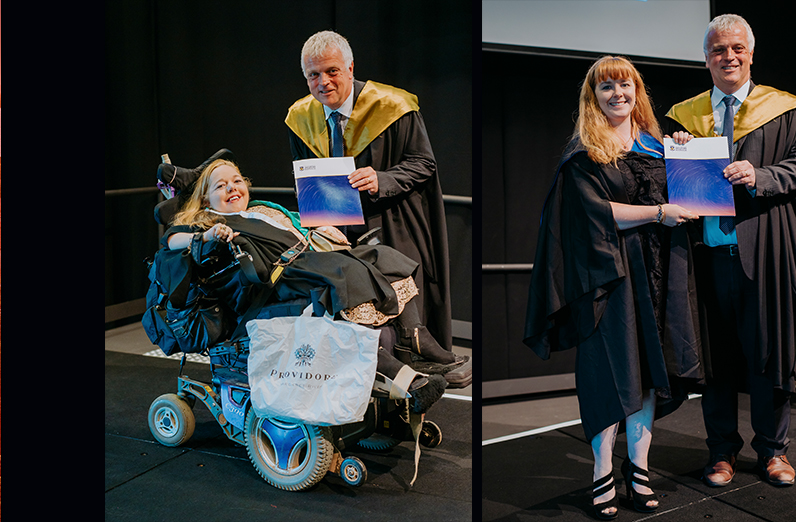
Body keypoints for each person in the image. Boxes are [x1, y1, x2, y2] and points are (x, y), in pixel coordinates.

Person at [524, 56, 704, 518]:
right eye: (606, 88)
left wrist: (685, 151)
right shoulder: (584, 150)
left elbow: (687, 195)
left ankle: (639, 469)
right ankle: (602, 469)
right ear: (593, 97)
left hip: (660, 270)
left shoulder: (657, 144)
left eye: (625, 85)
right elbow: (594, 212)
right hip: (610, 277)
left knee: (647, 373)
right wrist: (658, 213)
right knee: (611, 372)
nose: (617, 94)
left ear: (637, 91)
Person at [163, 159, 469, 412]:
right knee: (345, 271)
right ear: (206, 199)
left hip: (305, 260)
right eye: (221, 186)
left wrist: (319, 228)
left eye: (237, 180)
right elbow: (171, 240)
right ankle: (404, 377)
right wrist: (205, 236)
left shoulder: (261, 210)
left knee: (383, 255)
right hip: (273, 283)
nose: (232, 188)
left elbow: (297, 226)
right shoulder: (205, 222)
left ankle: (413, 339)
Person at [665, 14, 796, 487]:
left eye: (736, 48)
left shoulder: (785, 109)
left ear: (750, 54)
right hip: (705, 257)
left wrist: (760, 175)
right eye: (718, 50)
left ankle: (774, 452)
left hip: (764, 255)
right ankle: (721, 452)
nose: (727, 57)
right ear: (706, 58)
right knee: (716, 361)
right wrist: (674, 150)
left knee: (769, 354)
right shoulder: (682, 116)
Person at [284, 30, 453, 359]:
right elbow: (301, 172)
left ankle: (411, 366)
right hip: (333, 227)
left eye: (332, 71)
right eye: (313, 75)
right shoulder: (300, 117)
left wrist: (383, 178)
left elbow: (423, 163)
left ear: (350, 68)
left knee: (398, 298)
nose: (324, 82)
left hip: (390, 220)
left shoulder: (393, 106)